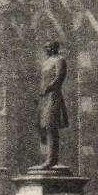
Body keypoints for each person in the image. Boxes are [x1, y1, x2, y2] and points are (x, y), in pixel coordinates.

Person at [37, 40, 70, 168]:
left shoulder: (59, 60)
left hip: (54, 97)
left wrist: (48, 87)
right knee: (44, 126)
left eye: (48, 47)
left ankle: (52, 159)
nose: (46, 50)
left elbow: (59, 77)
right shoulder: (46, 62)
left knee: (51, 126)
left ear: (53, 48)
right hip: (45, 98)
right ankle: (47, 157)